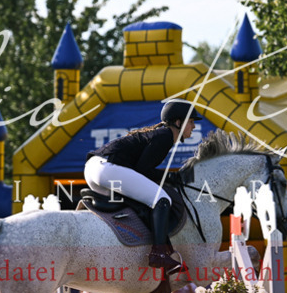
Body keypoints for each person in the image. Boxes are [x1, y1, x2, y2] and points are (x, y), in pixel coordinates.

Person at [84, 99, 200, 272]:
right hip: (107, 169)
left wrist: (169, 177)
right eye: (191, 122)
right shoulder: (165, 136)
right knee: (161, 199)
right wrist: (172, 177)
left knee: (143, 201)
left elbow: (141, 170)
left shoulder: (162, 134)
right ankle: (159, 253)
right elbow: (143, 169)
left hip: (94, 169)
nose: (194, 126)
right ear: (178, 122)